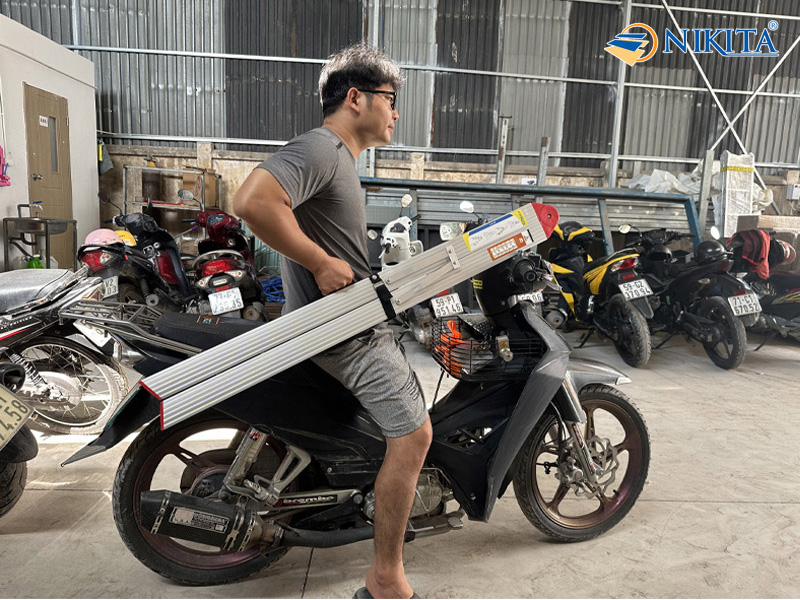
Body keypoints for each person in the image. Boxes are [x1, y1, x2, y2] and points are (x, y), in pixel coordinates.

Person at [232, 44, 431, 600]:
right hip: (346, 336)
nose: (395, 113)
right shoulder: (322, 147)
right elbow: (251, 201)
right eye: (390, 99)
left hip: (345, 323)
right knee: (414, 436)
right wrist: (320, 262)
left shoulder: (341, 159)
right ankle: (385, 579)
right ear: (356, 98)